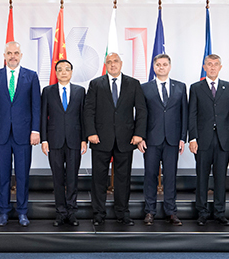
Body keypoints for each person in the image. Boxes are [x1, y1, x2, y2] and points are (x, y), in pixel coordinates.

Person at [84, 53, 147, 226]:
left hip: (126, 139)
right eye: (109, 62)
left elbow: (141, 110)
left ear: (121, 63)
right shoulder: (96, 84)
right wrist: (91, 132)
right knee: (98, 179)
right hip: (100, 139)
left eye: (116, 61)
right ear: (105, 65)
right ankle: (98, 213)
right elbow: (88, 110)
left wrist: (139, 134)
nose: (113, 64)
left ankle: (122, 213)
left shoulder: (133, 84)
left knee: (123, 179)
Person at [0, 41, 41, 227]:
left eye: (16, 53)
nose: (13, 56)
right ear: (4, 55)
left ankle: (22, 212)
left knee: (23, 175)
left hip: (23, 134)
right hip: (0, 134)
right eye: (9, 53)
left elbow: (36, 106)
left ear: (21, 55)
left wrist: (35, 130)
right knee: (3, 175)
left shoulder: (31, 76)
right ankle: (4, 211)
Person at [188, 54, 229, 226]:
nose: (212, 67)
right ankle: (202, 212)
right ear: (204, 67)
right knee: (202, 178)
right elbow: (192, 114)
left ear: (220, 67)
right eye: (209, 64)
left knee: (220, 178)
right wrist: (192, 138)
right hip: (202, 140)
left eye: (215, 64)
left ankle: (219, 212)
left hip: (224, 140)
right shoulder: (196, 87)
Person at [139, 54, 187, 226]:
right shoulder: (144, 88)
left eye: (164, 64)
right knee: (150, 176)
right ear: (154, 67)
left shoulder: (180, 87)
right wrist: (140, 137)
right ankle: (150, 211)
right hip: (151, 140)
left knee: (170, 177)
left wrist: (182, 138)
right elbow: (141, 115)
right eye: (158, 64)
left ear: (169, 66)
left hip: (172, 140)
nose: (161, 67)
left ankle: (171, 212)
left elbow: (184, 114)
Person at [40, 59, 86, 227]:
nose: (64, 72)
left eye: (67, 69)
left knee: (73, 179)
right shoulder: (48, 91)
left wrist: (84, 139)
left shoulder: (80, 91)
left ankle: (72, 212)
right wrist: (44, 139)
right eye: (60, 69)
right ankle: (60, 212)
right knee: (57, 179)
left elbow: (83, 116)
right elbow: (43, 116)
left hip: (75, 140)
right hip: (54, 141)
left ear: (71, 72)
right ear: (56, 73)